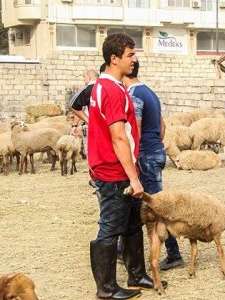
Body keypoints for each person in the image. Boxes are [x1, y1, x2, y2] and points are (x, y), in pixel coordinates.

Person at [88, 33, 155, 300]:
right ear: (113, 58)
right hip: (114, 171)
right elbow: (118, 137)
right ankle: (106, 288)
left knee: (131, 224)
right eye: (130, 54)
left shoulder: (105, 86)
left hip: (118, 168)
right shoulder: (113, 91)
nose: (134, 59)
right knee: (110, 227)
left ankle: (136, 273)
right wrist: (133, 178)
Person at [122, 61, 185, 271]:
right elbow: (162, 125)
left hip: (145, 154)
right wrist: (156, 145)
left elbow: (135, 130)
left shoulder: (134, 95)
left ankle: (174, 254)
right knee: (148, 203)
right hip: (154, 150)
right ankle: (125, 248)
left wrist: (133, 156)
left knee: (156, 206)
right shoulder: (149, 92)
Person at [69, 69, 99, 158]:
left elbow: (73, 105)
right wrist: (75, 125)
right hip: (106, 127)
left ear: (89, 77)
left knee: (92, 154)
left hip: (92, 126)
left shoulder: (87, 89)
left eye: (84, 77)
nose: (83, 79)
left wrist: (88, 121)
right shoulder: (106, 87)